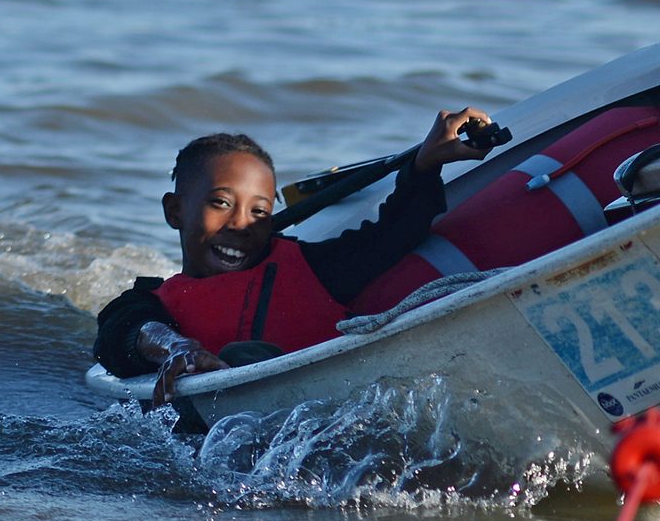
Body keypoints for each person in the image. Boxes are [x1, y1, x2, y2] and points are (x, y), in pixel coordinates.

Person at [94, 107, 493, 407]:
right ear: (175, 211)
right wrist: (178, 349)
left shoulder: (316, 268)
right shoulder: (150, 305)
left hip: (329, 410)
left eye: (259, 211)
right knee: (239, 359)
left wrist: (426, 162)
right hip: (221, 431)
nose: (241, 225)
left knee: (244, 357)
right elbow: (120, 335)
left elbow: (395, 231)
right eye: (221, 203)